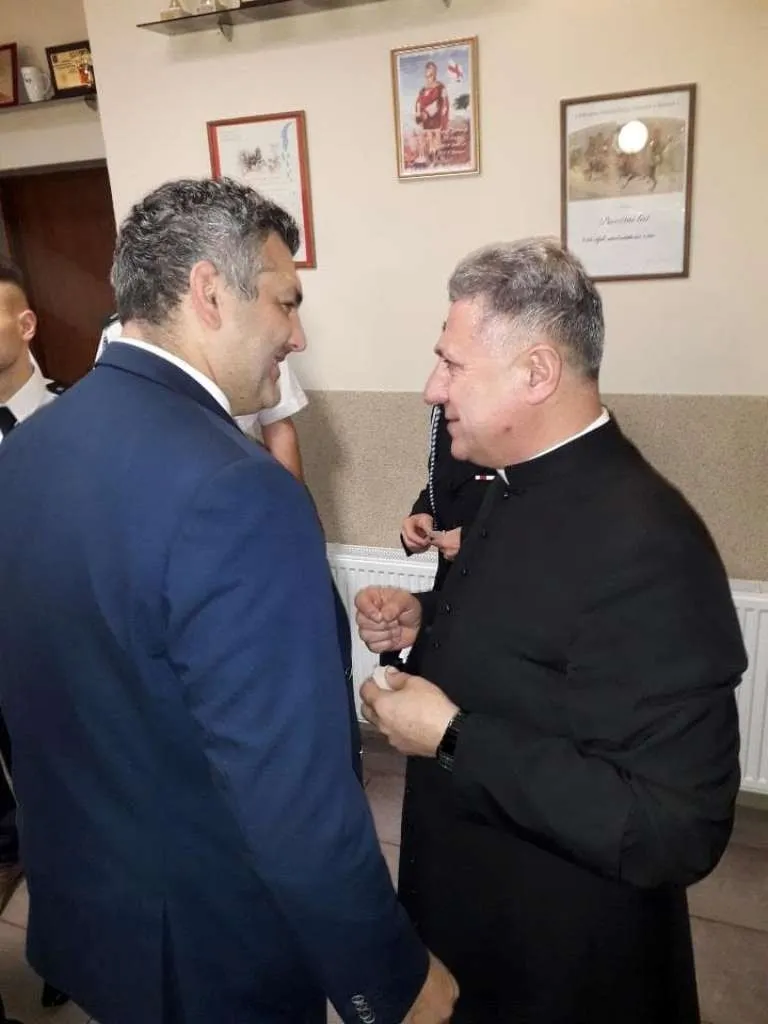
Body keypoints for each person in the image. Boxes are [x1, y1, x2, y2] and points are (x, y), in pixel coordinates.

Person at [0, 179, 457, 1024]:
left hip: (90, 916)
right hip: (212, 947)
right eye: (286, 301)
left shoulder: (26, 451)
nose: (298, 334)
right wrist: (389, 979)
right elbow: (290, 791)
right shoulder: (238, 491)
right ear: (210, 292)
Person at [355, 238, 747, 1024]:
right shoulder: (507, 487)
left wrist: (453, 738)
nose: (433, 389)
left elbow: (674, 828)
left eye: (451, 364)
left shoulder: (650, 543)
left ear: (536, 373)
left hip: (562, 959)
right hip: (471, 911)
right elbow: (545, 643)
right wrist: (425, 619)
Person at [0, 259, 70, 1014]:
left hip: (56, 655)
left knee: (65, 802)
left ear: (25, 325)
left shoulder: (76, 419)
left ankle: (70, 942)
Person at [97, 314, 309, 480]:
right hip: (154, 478)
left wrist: (295, 508)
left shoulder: (258, 332)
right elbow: (112, 425)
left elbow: (278, 427)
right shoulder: (124, 332)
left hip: (233, 476)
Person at [400, 402, 496, 592]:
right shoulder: (445, 407)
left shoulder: (523, 410)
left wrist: (472, 539)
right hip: (450, 583)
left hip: (504, 585)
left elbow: (540, 506)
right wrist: (423, 512)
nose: (431, 394)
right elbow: (447, 480)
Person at [414, 61, 449, 166]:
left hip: (436, 117)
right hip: (425, 119)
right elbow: (418, 102)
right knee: (429, 138)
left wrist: (443, 112)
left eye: (432, 74)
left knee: (436, 137)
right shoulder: (423, 89)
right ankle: (430, 158)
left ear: (435, 73)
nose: (430, 77)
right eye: (428, 75)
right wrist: (418, 113)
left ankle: (436, 159)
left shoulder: (440, 86)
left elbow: (445, 101)